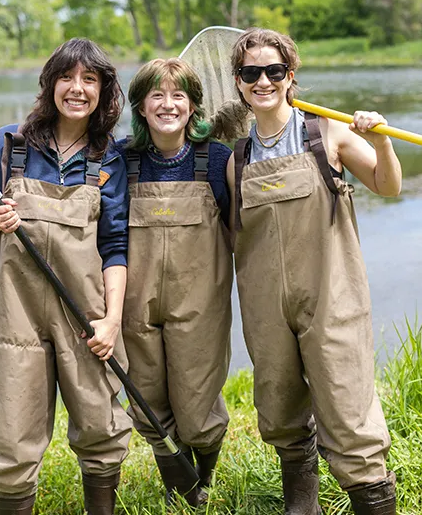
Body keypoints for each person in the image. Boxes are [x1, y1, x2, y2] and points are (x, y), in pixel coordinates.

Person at [227, 27, 402, 514]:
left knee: (349, 408)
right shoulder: (235, 160)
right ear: (239, 83)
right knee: (279, 406)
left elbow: (388, 186)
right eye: (251, 73)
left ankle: (372, 500)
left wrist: (382, 139)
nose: (263, 81)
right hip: (267, 307)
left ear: (290, 76)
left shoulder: (329, 132)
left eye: (274, 71)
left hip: (332, 297)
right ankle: (302, 503)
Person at [0, 38, 131, 515]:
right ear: (50, 84)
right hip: (14, 313)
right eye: (67, 77)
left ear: (103, 91)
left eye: (89, 80)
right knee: (12, 431)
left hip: (86, 312)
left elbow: (115, 247)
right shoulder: (9, 143)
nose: (76, 89)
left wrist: (112, 320)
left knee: (100, 423)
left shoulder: (111, 159)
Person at [120, 57, 235, 507]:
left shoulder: (217, 160)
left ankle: (202, 475)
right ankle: (182, 490)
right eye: (157, 96)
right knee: (147, 400)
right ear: (141, 108)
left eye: (179, 96)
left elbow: (245, 228)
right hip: (135, 306)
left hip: (201, 304)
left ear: (193, 107)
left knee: (197, 405)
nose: (168, 105)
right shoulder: (121, 159)